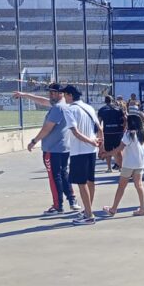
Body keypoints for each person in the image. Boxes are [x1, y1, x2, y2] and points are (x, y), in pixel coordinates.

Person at [15, 84, 78, 215]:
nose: (50, 95)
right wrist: (24, 95)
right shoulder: (65, 105)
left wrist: (34, 141)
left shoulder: (57, 108)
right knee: (63, 174)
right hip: (64, 148)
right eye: (50, 92)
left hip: (52, 149)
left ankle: (57, 205)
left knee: (54, 177)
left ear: (61, 93)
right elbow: (42, 101)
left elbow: (47, 128)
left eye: (53, 92)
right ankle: (72, 200)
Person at [62, 85, 101, 226]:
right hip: (91, 150)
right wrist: (99, 143)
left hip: (79, 151)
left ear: (70, 95)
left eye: (65, 95)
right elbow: (100, 128)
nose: (64, 98)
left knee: (82, 183)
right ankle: (88, 210)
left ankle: (89, 215)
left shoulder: (70, 110)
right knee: (90, 181)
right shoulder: (89, 107)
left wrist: (90, 141)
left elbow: (76, 132)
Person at [102, 107, 144, 217]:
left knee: (121, 187)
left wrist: (107, 154)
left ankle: (113, 209)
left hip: (129, 163)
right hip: (140, 163)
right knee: (139, 185)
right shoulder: (142, 134)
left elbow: (120, 148)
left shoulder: (128, 134)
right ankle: (142, 208)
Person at [98, 95, 125, 173]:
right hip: (118, 132)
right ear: (112, 100)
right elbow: (125, 119)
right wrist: (123, 128)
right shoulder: (118, 108)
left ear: (105, 101)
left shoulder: (102, 109)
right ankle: (121, 167)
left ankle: (109, 168)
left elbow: (99, 122)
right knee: (119, 150)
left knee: (108, 150)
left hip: (107, 132)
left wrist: (99, 133)